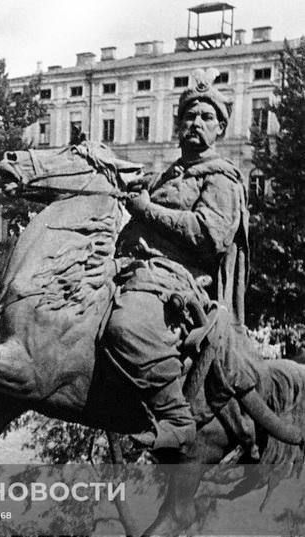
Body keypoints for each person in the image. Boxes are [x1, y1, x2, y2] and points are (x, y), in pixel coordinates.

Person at [102, 68, 249, 452]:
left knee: (126, 327)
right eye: (189, 116)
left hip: (178, 279)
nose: (196, 123)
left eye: (206, 117)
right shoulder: (169, 174)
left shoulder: (221, 178)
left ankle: (177, 419)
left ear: (220, 128)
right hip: (134, 267)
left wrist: (147, 210)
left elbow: (210, 236)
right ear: (178, 124)